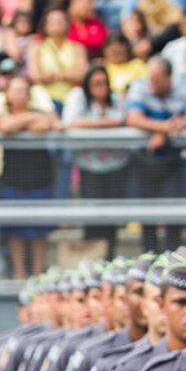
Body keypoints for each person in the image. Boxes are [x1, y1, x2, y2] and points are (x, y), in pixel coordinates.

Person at [125, 57, 186, 253]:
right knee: (147, 216)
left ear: (168, 78)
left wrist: (163, 134)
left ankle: (172, 263)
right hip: (146, 158)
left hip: (175, 159)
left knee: (174, 215)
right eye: (150, 78)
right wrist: (164, 128)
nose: (151, 84)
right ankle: (149, 261)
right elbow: (133, 118)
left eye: (157, 80)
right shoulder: (140, 85)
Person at [0, 73, 59, 280]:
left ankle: (38, 274)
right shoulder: (2, 113)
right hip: (13, 177)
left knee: (39, 228)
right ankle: (19, 273)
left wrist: (20, 122)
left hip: (40, 175)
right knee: (15, 228)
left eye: (24, 90)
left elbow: (47, 125)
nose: (21, 94)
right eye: (16, 90)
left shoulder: (40, 111)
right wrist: (29, 120)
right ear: (8, 95)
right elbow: (5, 127)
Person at [63, 64, 130, 257]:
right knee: (92, 218)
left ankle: (109, 260)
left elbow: (120, 119)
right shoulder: (78, 98)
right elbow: (72, 122)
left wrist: (91, 124)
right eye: (96, 84)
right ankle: (93, 262)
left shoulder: (116, 98)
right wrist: (105, 123)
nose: (101, 88)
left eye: (104, 83)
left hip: (116, 166)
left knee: (112, 218)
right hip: (89, 167)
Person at [27, 7, 88, 110]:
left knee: (78, 93)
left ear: (67, 25)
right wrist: (67, 74)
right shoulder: (36, 47)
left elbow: (82, 74)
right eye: (53, 21)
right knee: (37, 91)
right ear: (46, 26)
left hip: (70, 94)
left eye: (60, 21)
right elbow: (35, 76)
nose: (57, 24)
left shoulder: (78, 47)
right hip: (44, 94)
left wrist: (53, 74)